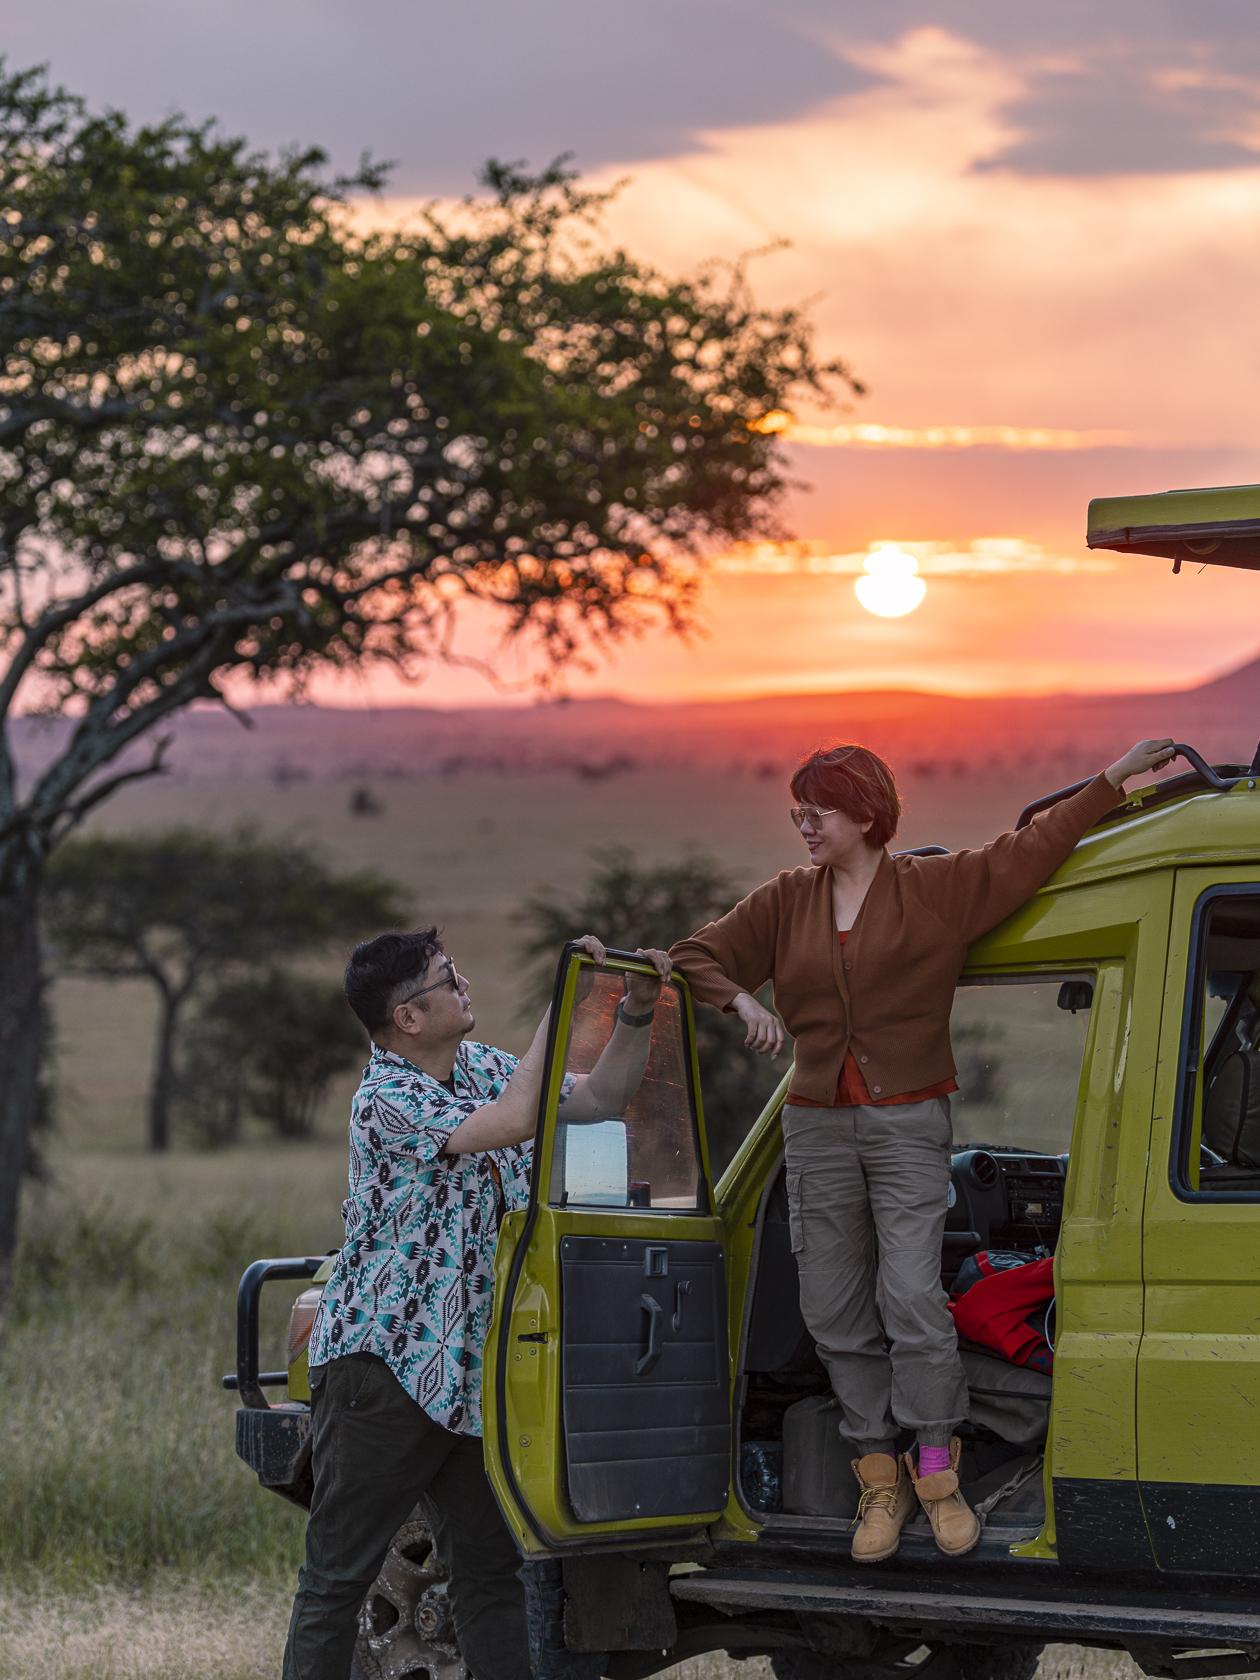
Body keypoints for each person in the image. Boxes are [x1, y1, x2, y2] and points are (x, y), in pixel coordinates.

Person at [669, 738, 1174, 1563]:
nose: (802, 824)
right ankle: (879, 1476)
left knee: (909, 1296)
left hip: (910, 1125)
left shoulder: (936, 889)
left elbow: (1030, 850)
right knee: (832, 1308)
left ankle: (937, 1469)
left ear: (866, 814)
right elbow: (696, 956)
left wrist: (1111, 782)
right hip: (816, 1124)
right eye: (796, 810)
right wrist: (740, 1005)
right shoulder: (786, 900)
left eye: (817, 810)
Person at [284, 927, 671, 1680]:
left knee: (491, 1578)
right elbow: (517, 1120)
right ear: (407, 1018)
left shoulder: (482, 1068)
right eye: (445, 977)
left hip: (470, 1377)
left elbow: (600, 1097)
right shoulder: (388, 1098)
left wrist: (631, 1013)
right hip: (384, 1368)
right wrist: (567, 999)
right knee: (337, 1579)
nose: (462, 984)